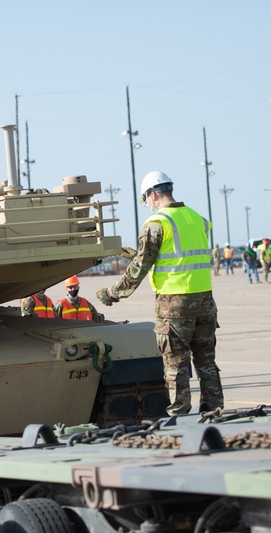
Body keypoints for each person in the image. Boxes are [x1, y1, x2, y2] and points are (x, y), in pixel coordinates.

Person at [95, 171, 223, 415]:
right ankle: (214, 409)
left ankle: (179, 415)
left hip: (174, 305)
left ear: (152, 195)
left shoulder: (157, 222)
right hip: (205, 301)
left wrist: (113, 293)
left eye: (147, 200)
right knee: (206, 361)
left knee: (175, 363)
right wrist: (137, 253)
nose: (148, 206)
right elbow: (177, 255)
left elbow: (141, 267)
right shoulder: (196, 218)